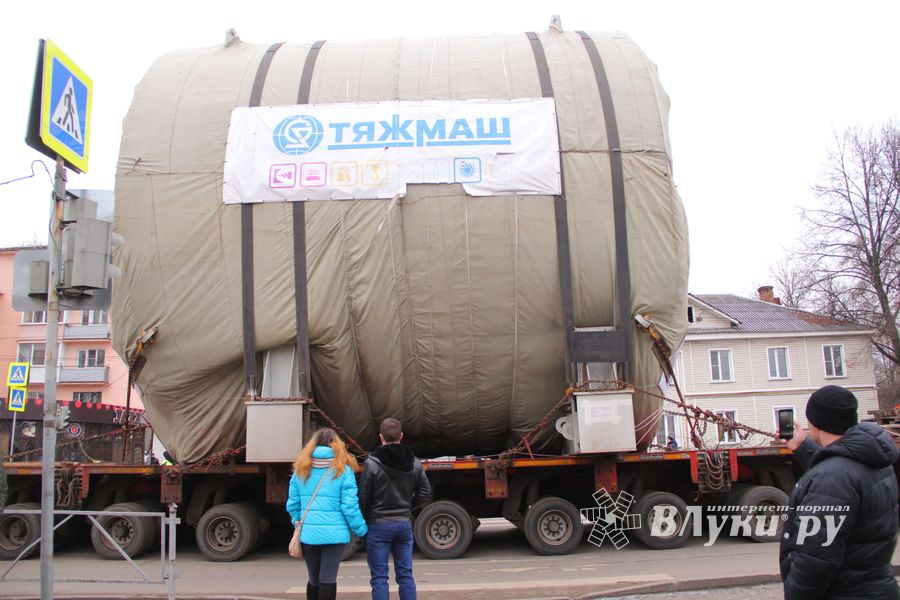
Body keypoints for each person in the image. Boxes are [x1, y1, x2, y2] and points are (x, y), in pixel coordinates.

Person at [780, 385, 899, 600]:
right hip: (875, 587)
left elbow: (815, 561)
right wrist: (801, 446)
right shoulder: (876, 461)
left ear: (813, 423)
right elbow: (841, 471)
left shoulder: (832, 479)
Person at [286, 428, 368, 600]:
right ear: (337, 446)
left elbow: (293, 504)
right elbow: (349, 507)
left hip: (309, 534)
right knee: (328, 578)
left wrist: (298, 522)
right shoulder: (343, 471)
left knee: (313, 579)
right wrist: (361, 531)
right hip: (335, 535)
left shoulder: (300, 470)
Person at [359, 418, 432, 600]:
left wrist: (366, 517)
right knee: (405, 575)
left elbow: (363, 497)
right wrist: (408, 505)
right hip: (403, 523)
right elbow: (425, 493)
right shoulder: (415, 463)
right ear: (401, 436)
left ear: (381, 437)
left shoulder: (372, 463)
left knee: (379, 578)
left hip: (378, 525)